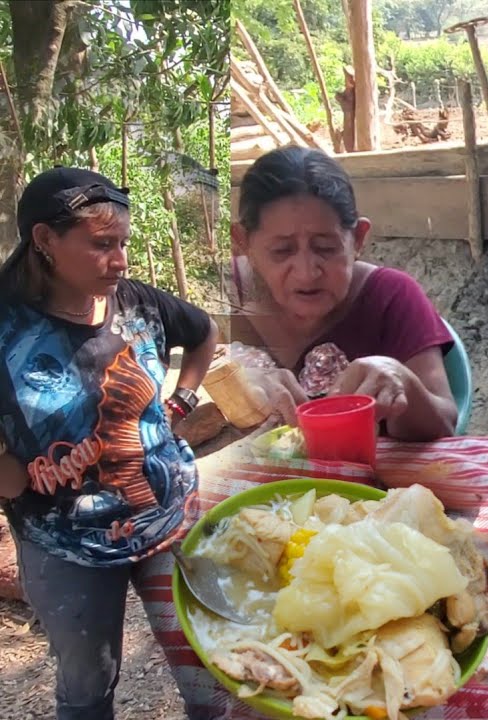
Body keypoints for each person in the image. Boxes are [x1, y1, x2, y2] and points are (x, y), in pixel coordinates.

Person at [0, 167, 219, 719]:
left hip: (166, 519)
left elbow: (203, 333)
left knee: (210, 668)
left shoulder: (138, 304)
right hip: (67, 546)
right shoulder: (6, 329)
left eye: (122, 243)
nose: (119, 260)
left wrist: (182, 403)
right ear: (45, 240)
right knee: (88, 686)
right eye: (102, 245)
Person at [229, 146, 458, 441]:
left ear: (358, 238)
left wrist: (401, 382)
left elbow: (445, 427)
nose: (307, 272)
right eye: (282, 251)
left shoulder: (390, 297)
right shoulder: (219, 296)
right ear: (243, 243)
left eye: (326, 247)